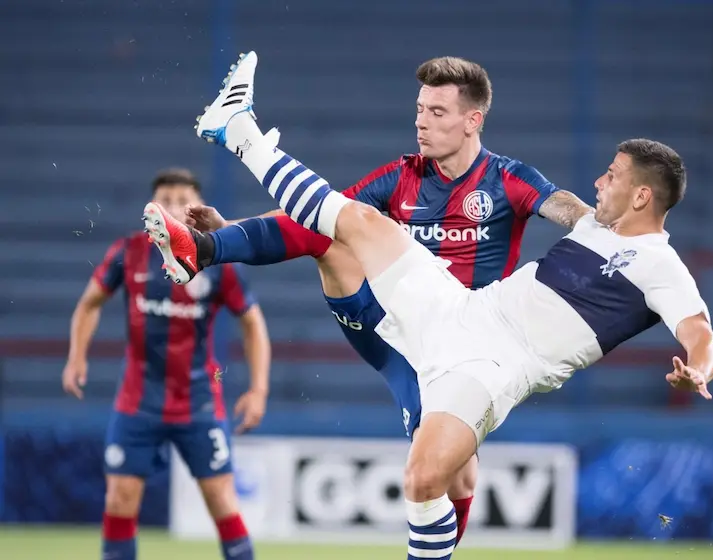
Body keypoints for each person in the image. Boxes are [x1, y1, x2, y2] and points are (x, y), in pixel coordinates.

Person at [152, 54, 592, 545]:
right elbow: (317, 213)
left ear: (474, 121)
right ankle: (203, 250)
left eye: (438, 112)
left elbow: (566, 207)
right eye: (420, 109)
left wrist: (607, 230)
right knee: (335, 233)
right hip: (389, 331)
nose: (422, 122)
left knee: (458, 476)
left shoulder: (508, 179)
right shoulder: (401, 177)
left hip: (462, 352)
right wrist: (228, 234)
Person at [64, 168, 270, 560]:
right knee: (120, 501)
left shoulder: (217, 259)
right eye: (165, 199)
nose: (173, 206)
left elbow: (252, 323)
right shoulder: (128, 252)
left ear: (196, 209)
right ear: (151, 209)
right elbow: (89, 303)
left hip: (198, 403)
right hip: (138, 402)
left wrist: (258, 389)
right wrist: (76, 355)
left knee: (222, 501)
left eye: (182, 199)